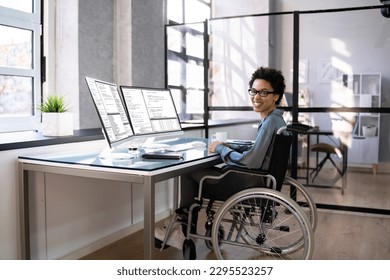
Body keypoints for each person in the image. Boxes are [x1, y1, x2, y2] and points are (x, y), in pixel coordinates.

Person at [155, 66, 287, 250]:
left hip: (248, 183)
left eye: (264, 92)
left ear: (276, 95)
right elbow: (260, 150)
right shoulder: (277, 120)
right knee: (199, 171)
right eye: (254, 91)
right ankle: (183, 226)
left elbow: (251, 161)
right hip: (261, 181)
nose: (256, 97)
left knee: (188, 172)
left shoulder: (269, 122)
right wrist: (232, 147)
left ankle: (182, 229)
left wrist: (221, 150)